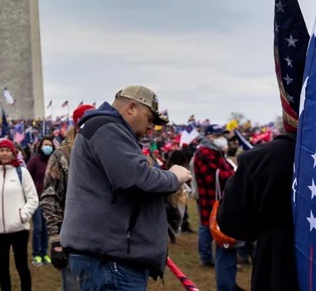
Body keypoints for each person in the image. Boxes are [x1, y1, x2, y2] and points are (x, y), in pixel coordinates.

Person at [61, 86, 192, 290]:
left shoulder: (107, 129)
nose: (151, 127)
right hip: (110, 260)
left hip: (109, 255)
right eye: (150, 119)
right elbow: (136, 179)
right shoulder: (107, 128)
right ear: (131, 108)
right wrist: (174, 177)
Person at [217, 129, 299, 291]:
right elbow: (232, 223)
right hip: (278, 258)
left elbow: (233, 223)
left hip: (277, 263)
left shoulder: (260, 159)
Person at [42, 104, 93, 291]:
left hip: (102, 242)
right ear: (78, 126)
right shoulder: (62, 156)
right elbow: (50, 198)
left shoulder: (105, 154)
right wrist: (56, 239)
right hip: (73, 240)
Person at [0, 138, 39, 291]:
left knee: (21, 266)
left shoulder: (22, 173)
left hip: (19, 229)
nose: (4, 153)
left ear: (13, 153)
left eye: (7, 150)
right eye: (1, 150)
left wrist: (23, 215)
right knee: (3, 267)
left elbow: (33, 198)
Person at [193, 124, 237, 291]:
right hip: (211, 202)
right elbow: (213, 177)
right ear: (210, 136)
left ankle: (226, 281)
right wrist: (235, 174)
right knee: (212, 233)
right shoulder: (204, 152)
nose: (222, 138)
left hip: (218, 203)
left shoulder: (216, 151)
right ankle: (207, 259)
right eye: (218, 135)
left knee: (219, 240)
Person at [27, 136, 55, 266]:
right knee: (37, 228)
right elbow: (27, 178)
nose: (47, 146)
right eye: (45, 144)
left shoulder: (54, 160)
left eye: (49, 144)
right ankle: (36, 254)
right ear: (40, 146)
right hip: (36, 198)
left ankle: (44, 253)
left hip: (50, 199)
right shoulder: (34, 160)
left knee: (46, 228)